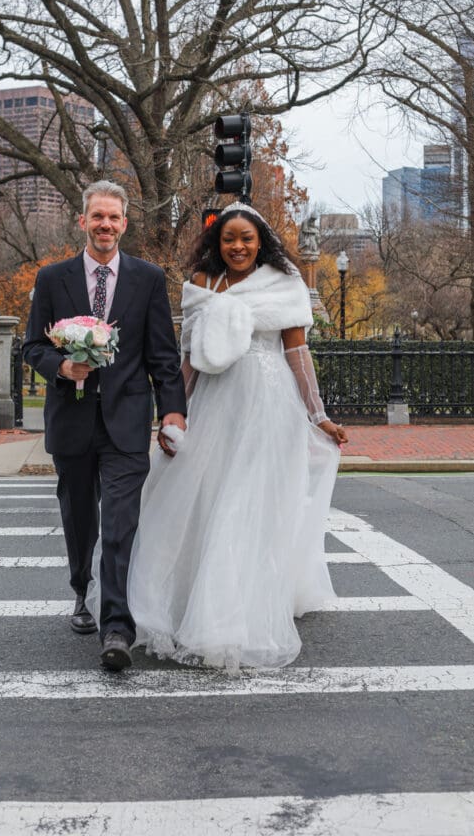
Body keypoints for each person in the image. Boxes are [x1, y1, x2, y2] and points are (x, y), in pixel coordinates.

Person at [124, 202, 348, 673]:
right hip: (214, 406)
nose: (238, 246)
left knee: (247, 506)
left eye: (247, 238)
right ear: (216, 243)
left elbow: (298, 354)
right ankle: (196, 602)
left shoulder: (286, 285)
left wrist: (319, 416)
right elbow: (188, 358)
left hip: (268, 407)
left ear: (260, 241)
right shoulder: (201, 286)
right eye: (229, 239)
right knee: (205, 499)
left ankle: (234, 614)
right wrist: (172, 413)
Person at [23, 181, 186, 672]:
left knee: (119, 525)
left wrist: (172, 410)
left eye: (114, 218)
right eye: (98, 217)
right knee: (80, 518)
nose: (106, 226)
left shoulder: (149, 279)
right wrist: (62, 367)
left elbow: (162, 353)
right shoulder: (53, 279)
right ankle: (81, 589)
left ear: (125, 223)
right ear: (83, 221)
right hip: (71, 421)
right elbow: (32, 347)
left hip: (126, 422)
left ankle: (117, 626)